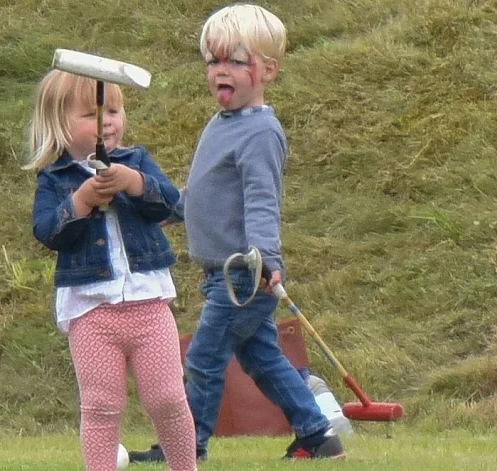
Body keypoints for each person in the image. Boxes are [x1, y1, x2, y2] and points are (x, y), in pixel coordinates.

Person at [129, 3, 345, 463]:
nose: (219, 71)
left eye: (234, 61)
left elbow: (262, 201)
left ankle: (187, 449)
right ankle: (317, 435)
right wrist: (169, 208)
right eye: (213, 61)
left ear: (267, 69)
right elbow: (207, 190)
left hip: (243, 275)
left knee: (204, 361)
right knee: (261, 359)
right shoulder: (221, 124)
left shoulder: (262, 133)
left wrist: (266, 257)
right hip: (219, 275)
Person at [26, 68, 197, 471]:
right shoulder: (54, 178)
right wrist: (81, 201)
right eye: (91, 115)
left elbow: (170, 204)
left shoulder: (135, 160)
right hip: (90, 311)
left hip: (149, 304)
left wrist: (135, 182)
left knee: (168, 399)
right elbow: (48, 232)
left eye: (114, 110)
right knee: (101, 406)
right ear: (59, 125)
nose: (107, 122)